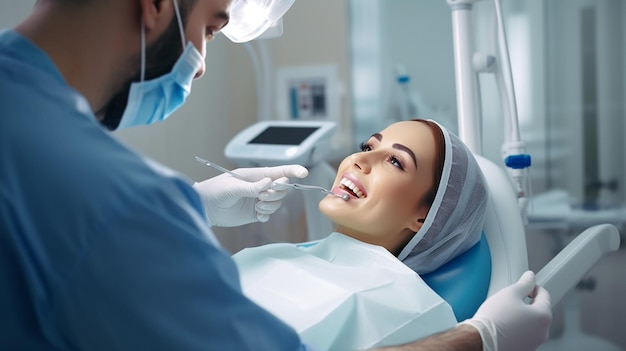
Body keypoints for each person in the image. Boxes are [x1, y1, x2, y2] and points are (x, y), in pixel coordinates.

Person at [0, 0, 551, 350]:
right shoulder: (125, 208)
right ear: (153, 5)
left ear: (424, 217)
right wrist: (481, 340)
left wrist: (190, 207)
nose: (357, 160)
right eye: (213, 30)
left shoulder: (396, 299)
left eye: (395, 161)